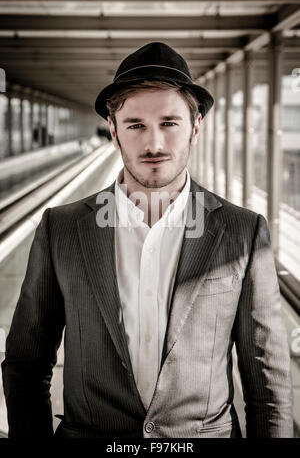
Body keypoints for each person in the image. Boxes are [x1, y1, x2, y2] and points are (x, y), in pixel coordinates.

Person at [1, 42, 293, 438]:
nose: (153, 144)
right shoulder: (61, 229)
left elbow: (268, 384)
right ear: (113, 130)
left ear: (195, 127)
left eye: (169, 123)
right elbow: (26, 364)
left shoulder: (244, 232)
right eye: (136, 125)